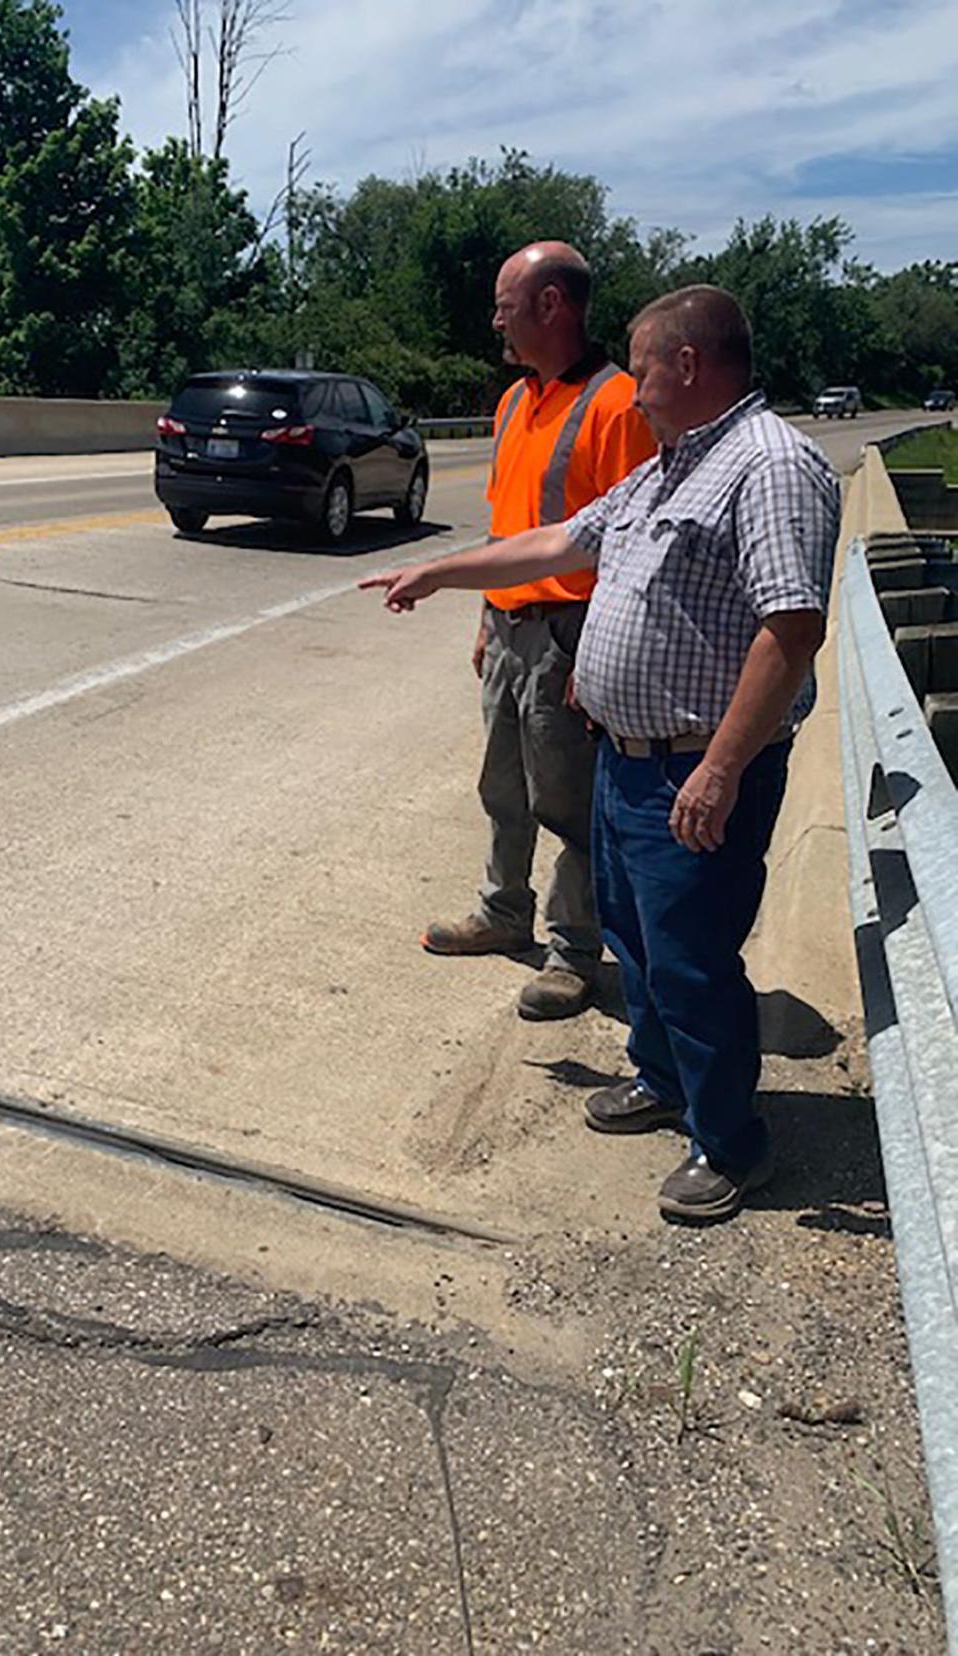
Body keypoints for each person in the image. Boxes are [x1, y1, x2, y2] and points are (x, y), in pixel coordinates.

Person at [362, 286, 840, 1223]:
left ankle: (732, 1144)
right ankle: (663, 1080)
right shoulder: (670, 466)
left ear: (688, 365)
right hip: (625, 756)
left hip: (693, 766)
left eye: (644, 361)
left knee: (693, 957)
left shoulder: (769, 465)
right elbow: (561, 540)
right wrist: (443, 572)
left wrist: (720, 768)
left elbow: (791, 629)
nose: (634, 381)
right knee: (636, 941)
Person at [423, 241, 656, 1021]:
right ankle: (502, 911)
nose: (496, 320)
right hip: (512, 628)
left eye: (505, 304)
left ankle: (573, 952)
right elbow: (505, 527)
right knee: (503, 787)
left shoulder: (619, 405)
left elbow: (632, 542)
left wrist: (602, 653)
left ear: (552, 305)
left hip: (572, 634)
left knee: (573, 804)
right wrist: (488, 615)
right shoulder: (515, 401)